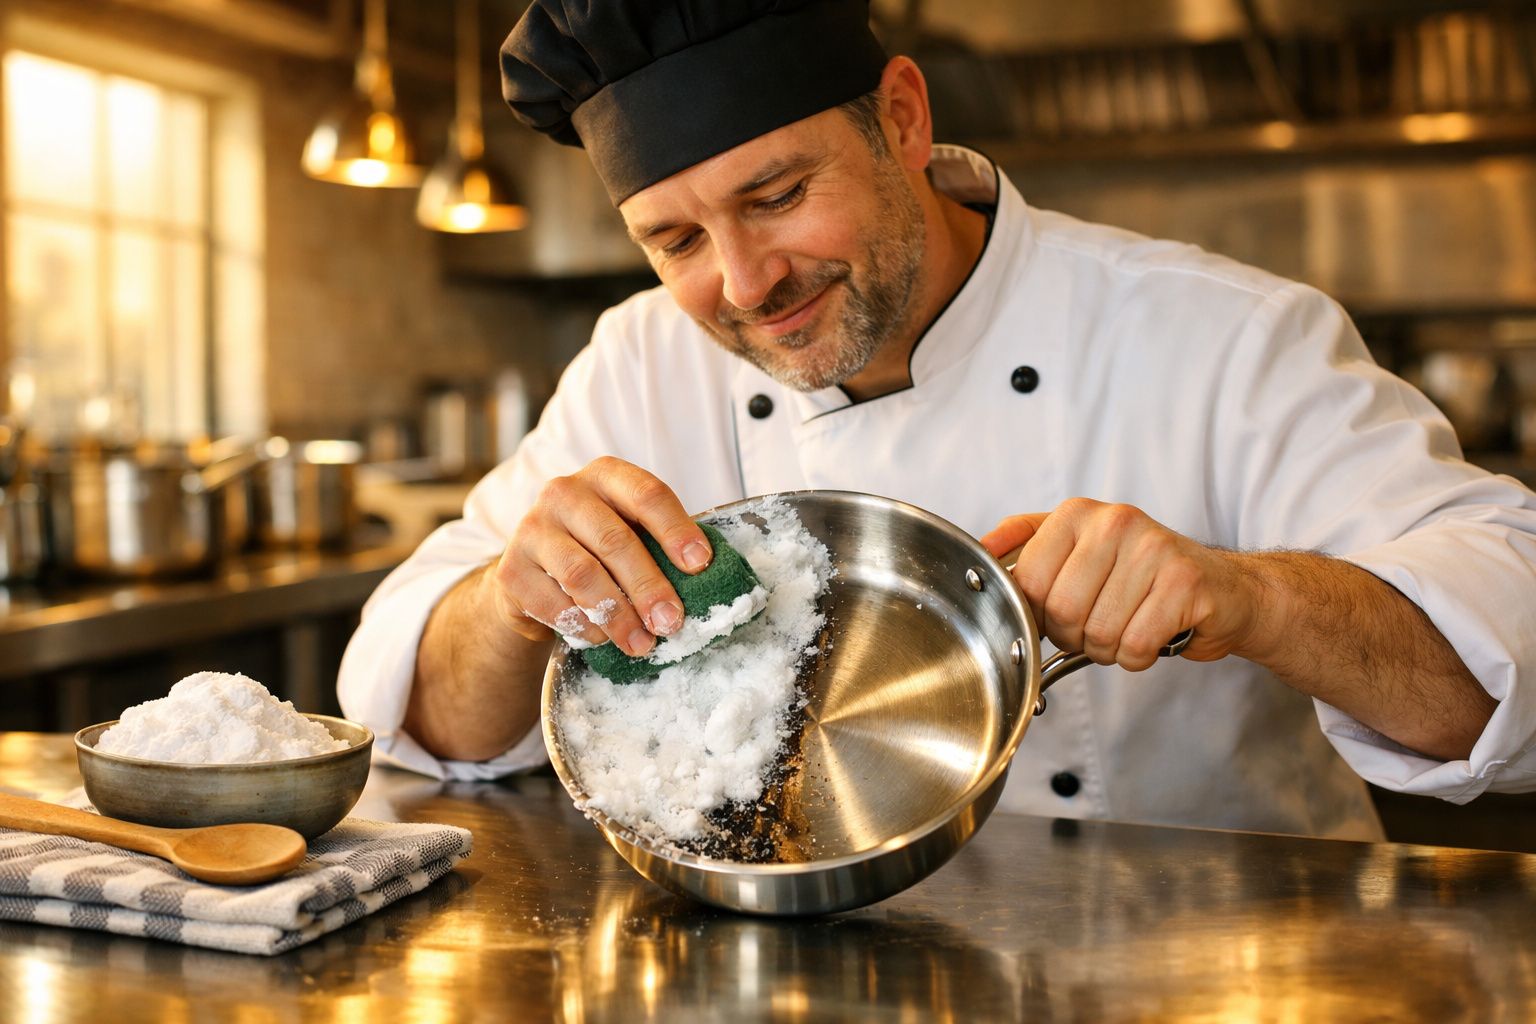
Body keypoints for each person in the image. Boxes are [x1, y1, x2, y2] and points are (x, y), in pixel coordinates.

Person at [338, 0, 1536, 840]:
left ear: (902, 118)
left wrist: (1254, 596)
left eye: (779, 195)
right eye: (677, 239)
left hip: (1209, 968)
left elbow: (1511, 644)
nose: (746, 281)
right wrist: (510, 598)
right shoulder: (638, 363)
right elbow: (415, 721)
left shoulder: (1218, 335)